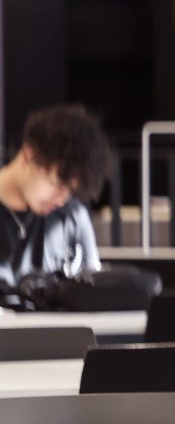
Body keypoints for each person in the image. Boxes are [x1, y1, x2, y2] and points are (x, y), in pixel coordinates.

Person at [0, 105, 110, 288]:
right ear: (29, 155)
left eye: (70, 191)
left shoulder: (72, 218)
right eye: (57, 184)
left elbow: (93, 296)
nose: (61, 199)